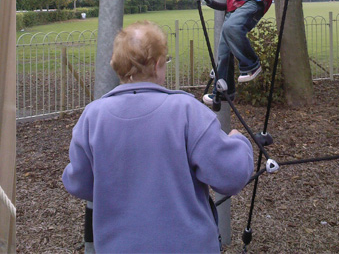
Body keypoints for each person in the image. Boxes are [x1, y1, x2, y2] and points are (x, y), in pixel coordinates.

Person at [62, 21, 255, 253]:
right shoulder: (186, 111)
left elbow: (78, 182)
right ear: (156, 65)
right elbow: (230, 176)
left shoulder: (93, 117)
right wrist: (239, 141)